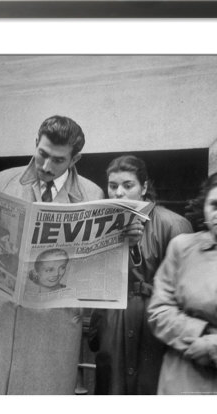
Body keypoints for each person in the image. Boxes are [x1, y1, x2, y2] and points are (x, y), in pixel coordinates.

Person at [0, 115, 104, 394]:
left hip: (54, 327)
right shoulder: (3, 181)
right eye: (42, 154)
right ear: (35, 143)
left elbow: (96, 267)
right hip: (2, 324)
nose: (46, 166)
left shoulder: (92, 194)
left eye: (58, 160)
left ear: (75, 158)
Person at [88, 155, 192, 394]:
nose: (119, 193)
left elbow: (183, 287)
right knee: (111, 388)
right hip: (113, 320)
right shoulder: (102, 224)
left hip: (153, 322)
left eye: (128, 185)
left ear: (144, 187)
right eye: (113, 186)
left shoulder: (173, 224)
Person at [147, 170, 217, 395]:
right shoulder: (182, 247)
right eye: (215, 205)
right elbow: (159, 310)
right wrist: (201, 333)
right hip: (183, 373)